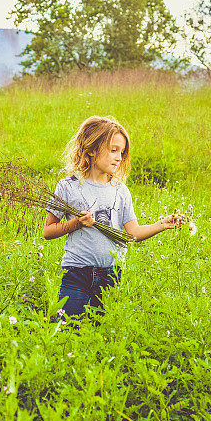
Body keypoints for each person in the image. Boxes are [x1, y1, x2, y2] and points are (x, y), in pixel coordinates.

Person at [43, 115, 182, 322]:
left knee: (100, 331)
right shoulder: (68, 187)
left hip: (111, 273)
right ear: (91, 149)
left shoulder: (120, 191)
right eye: (113, 150)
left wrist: (162, 224)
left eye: (122, 152)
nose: (119, 157)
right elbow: (48, 231)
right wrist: (75, 223)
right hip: (76, 272)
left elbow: (132, 234)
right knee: (67, 329)